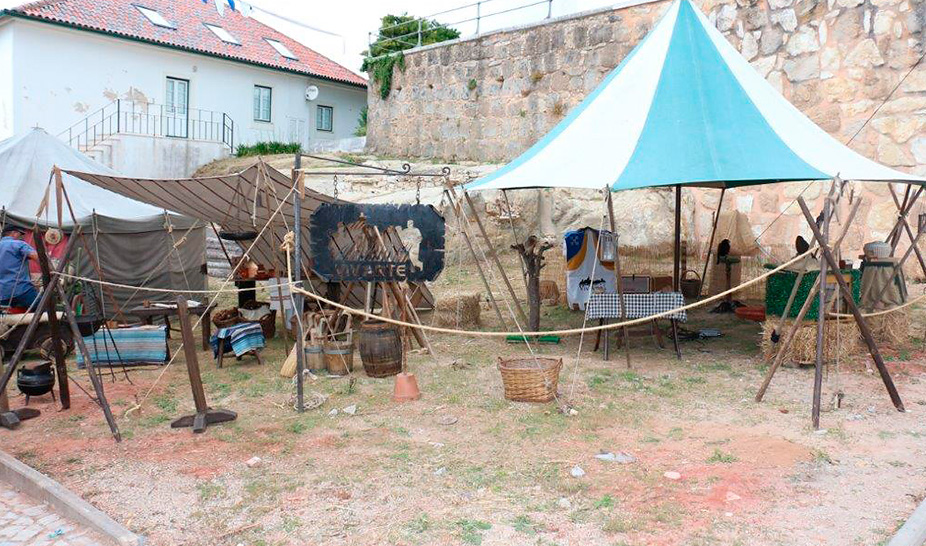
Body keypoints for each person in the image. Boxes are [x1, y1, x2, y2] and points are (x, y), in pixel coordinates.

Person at [0, 226, 39, 310]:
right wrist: (52, 270)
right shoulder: (18, 244)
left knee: (4, 318)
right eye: (20, 234)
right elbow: (38, 257)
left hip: (2, 294)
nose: (21, 237)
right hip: (21, 290)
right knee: (43, 309)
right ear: (14, 233)